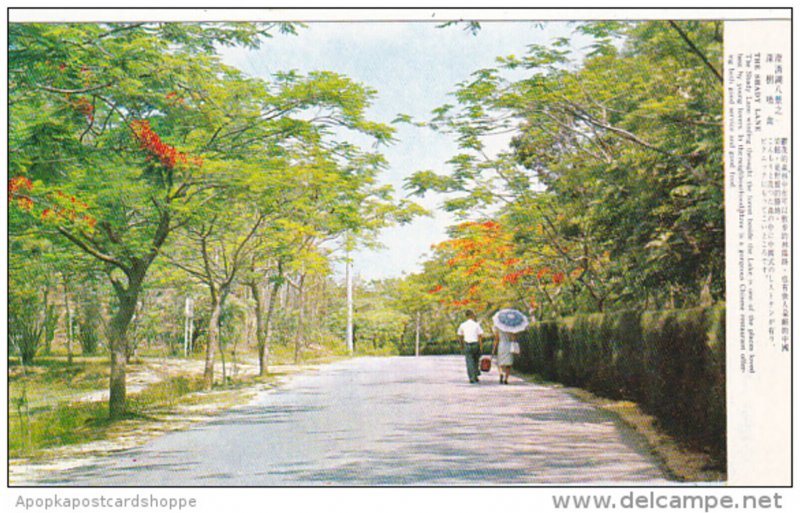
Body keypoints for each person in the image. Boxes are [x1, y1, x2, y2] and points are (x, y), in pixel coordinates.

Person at [457, 309, 483, 384]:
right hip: (475, 344)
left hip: (467, 344)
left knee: (469, 362)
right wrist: (481, 346)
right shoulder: (476, 324)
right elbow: (480, 336)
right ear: (472, 315)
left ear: (466, 316)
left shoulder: (463, 325)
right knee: (476, 361)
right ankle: (475, 376)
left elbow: (460, 336)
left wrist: (461, 345)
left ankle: (472, 377)